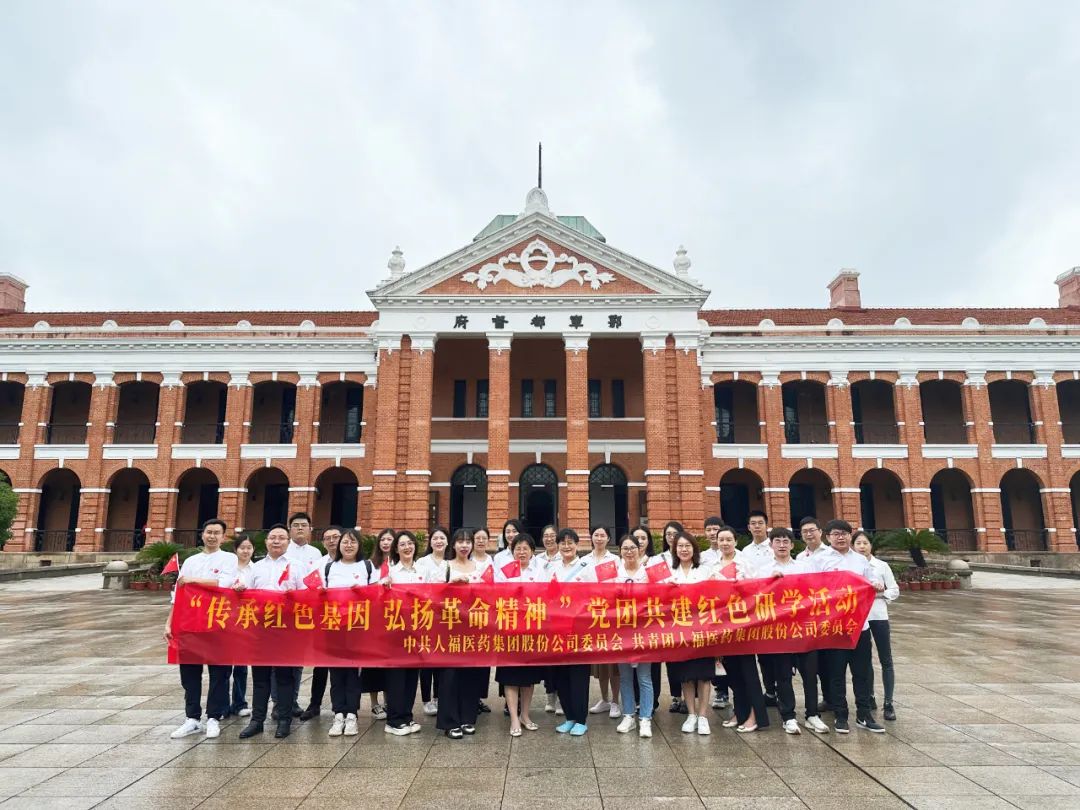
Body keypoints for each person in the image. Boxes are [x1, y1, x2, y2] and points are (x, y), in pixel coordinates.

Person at [164, 518, 238, 740]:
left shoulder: (229, 558)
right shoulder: (190, 561)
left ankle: (214, 717)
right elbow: (178, 595)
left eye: (217, 533)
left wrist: (192, 580)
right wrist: (169, 622)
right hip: (190, 623)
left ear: (223, 537)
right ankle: (192, 718)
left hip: (218, 623)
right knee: (189, 672)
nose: (212, 536)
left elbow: (223, 583)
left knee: (219, 673)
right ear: (202, 534)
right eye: (209, 532)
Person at [236, 524, 305, 739]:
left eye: (281, 538)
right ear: (266, 542)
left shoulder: (297, 566)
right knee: (260, 677)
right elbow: (245, 594)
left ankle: (284, 720)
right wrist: (239, 589)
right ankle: (257, 721)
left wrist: (295, 596)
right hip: (261, 630)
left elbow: (307, 596)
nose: (277, 541)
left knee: (285, 677)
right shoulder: (255, 567)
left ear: (288, 542)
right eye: (273, 537)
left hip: (286, 630)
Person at [818, 519, 887, 733]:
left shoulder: (860, 560)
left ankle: (864, 715)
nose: (840, 537)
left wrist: (876, 584)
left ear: (850, 536)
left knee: (861, 673)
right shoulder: (819, 560)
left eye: (845, 533)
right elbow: (809, 588)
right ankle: (841, 715)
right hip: (835, 627)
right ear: (828, 537)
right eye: (836, 534)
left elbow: (872, 582)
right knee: (836, 674)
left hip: (860, 627)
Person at [319, 528, 374, 737]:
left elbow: (377, 597)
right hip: (333, 628)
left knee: (353, 673)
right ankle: (338, 714)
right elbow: (317, 596)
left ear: (359, 545)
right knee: (336, 673)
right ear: (339, 545)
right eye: (345, 542)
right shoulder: (328, 568)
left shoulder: (367, 566)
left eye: (353, 542)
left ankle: (351, 714)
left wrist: (363, 593)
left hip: (357, 628)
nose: (348, 546)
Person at [758, 527, 812, 735]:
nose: (782, 545)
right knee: (783, 675)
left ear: (792, 544)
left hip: (801, 628)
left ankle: (812, 714)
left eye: (785, 541)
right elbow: (755, 597)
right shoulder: (763, 570)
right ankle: (788, 716)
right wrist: (769, 582)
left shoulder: (803, 568)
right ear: (771, 545)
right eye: (777, 541)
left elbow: (815, 592)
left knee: (809, 673)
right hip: (777, 631)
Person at [436, 529, 487, 739]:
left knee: (470, 674)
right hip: (449, 627)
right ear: (453, 545)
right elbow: (433, 595)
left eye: (468, 542)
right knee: (449, 675)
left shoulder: (479, 567)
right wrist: (450, 585)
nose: (464, 545)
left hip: (472, 627)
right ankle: (450, 722)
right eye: (460, 542)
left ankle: (467, 718)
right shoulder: (445, 566)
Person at [549, 528, 595, 736]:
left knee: (578, 675)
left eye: (570, 542)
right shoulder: (552, 568)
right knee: (561, 675)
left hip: (579, 628)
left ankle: (581, 720)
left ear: (577, 545)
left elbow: (595, 595)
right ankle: (569, 717)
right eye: (563, 543)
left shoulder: (586, 567)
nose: (566, 546)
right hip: (557, 628)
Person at [667, 531, 714, 736]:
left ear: (694, 549)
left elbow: (722, 591)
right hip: (679, 631)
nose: (684, 549)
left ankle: (703, 716)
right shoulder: (669, 572)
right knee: (685, 675)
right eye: (680, 546)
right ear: (674, 549)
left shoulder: (705, 570)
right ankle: (691, 714)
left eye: (688, 546)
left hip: (703, 630)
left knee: (704, 675)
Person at [495, 533, 541, 736]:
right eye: (517, 549)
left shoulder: (539, 570)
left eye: (525, 548)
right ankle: (514, 717)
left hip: (532, 629)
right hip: (509, 629)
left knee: (529, 677)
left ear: (532, 551)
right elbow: (496, 595)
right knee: (511, 675)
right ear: (512, 551)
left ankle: (525, 715)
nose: (521, 552)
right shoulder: (504, 571)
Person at [853, 530, 899, 721]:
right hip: (860, 617)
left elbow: (894, 589)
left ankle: (888, 702)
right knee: (865, 660)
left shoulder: (881, 565)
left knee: (885, 659)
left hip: (879, 615)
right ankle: (870, 696)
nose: (862, 546)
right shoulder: (851, 566)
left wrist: (880, 594)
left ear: (871, 545)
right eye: (858, 543)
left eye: (865, 543)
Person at [382, 531, 425, 735]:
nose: (407, 547)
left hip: (417, 630)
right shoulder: (390, 571)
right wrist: (383, 585)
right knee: (396, 676)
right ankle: (393, 720)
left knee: (411, 676)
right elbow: (378, 596)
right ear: (396, 549)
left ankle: (407, 716)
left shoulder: (422, 570)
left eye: (410, 543)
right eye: (402, 544)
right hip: (395, 631)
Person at [300, 524, 343, 722]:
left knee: (342, 666)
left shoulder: (353, 562)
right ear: (323, 542)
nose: (332, 541)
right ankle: (314, 704)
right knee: (321, 665)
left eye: (336, 537)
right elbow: (308, 589)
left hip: (347, 622)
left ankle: (341, 707)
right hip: (323, 619)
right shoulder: (317, 564)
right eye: (328, 538)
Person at [796, 516, 839, 714]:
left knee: (830, 661)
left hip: (828, 614)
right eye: (805, 531)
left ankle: (834, 698)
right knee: (815, 661)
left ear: (821, 532)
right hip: (809, 616)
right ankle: (826, 698)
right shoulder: (799, 558)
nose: (809, 534)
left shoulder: (832, 554)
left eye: (812, 530)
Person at [614, 533, 654, 738]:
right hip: (622, 630)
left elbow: (664, 592)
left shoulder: (649, 572)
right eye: (625, 548)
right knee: (625, 677)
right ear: (620, 551)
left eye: (632, 548)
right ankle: (628, 715)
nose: (629, 552)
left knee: (644, 677)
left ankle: (645, 718)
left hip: (644, 630)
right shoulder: (614, 572)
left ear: (639, 549)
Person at [583, 525, 622, 720]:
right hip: (593, 617)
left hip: (611, 617)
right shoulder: (583, 561)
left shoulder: (615, 560)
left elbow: (620, 585)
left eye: (602, 535)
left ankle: (615, 701)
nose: (599, 538)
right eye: (596, 535)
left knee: (613, 661)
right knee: (599, 663)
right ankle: (604, 699)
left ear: (608, 538)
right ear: (591, 537)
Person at [742, 510, 777, 707]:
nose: (757, 526)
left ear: (766, 525)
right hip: (753, 608)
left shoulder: (775, 547)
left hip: (773, 606)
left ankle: (778, 689)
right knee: (760, 653)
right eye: (753, 523)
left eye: (760, 523)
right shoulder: (744, 552)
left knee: (775, 651)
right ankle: (769, 691)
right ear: (748, 527)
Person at [708, 525, 745, 710]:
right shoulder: (712, 565)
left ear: (735, 541)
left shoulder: (744, 563)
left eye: (729, 539)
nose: (725, 543)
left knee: (738, 663)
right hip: (718, 619)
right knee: (719, 659)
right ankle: (722, 692)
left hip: (739, 619)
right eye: (721, 540)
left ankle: (741, 704)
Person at [362, 528, 395, 720]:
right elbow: (363, 590)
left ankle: (389, 700)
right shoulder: (369, 565)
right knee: (373, 664)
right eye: (383, 539)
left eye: (390, 539)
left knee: (391, 663)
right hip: (374, 620)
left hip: (395, 620)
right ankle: (375, 704)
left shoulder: (399, 564)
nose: (386, 542)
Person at [528, 524, 562, 715]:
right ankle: (550, 695)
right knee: (547, 658)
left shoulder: (564, 557)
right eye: (546, 536)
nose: (549, 539)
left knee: (560, 657)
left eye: (552, 535)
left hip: (560, 614)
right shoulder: (537, 560)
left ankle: (561, 698)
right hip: (542, 614)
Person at [416, 526, 449, 716]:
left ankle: (438, 696)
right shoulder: (422, 562)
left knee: (441, 659)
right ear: (430, 542)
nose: (438, 541)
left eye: (442, 538)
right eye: (435, 538)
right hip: (426, 617)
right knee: (426, 660)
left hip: (446, 618)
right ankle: (426, 700)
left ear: (447, 541)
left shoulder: (450, 563)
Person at [223, 533, 256, 718]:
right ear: (235, 549)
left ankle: (239, 703)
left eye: (249, 548)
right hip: (226, 620)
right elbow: (218, 588)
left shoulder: (256, 569)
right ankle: (222, 705)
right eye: (242, 547)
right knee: (224, 666)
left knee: (241, 666)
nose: (245, 551)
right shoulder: (228, 569)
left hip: (246, 621)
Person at [658, 520, 687, 714]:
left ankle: (688, 696)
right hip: (667, 615)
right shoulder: (658, 559)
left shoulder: (687, 555)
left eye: (675, 534)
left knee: (687, 657)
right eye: (668, 534)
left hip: (686, 613)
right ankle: (676, 696)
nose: (671, 537)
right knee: (671, 659)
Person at [470, 526, 495, 714]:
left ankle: (478, 697)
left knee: (484, 658)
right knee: (471, 657)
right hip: (468, 615)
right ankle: (471, 697)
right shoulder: (467, 559)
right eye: (477, 538)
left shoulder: (492, 560)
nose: (480, 541)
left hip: (486, 614)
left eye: (483, 538)